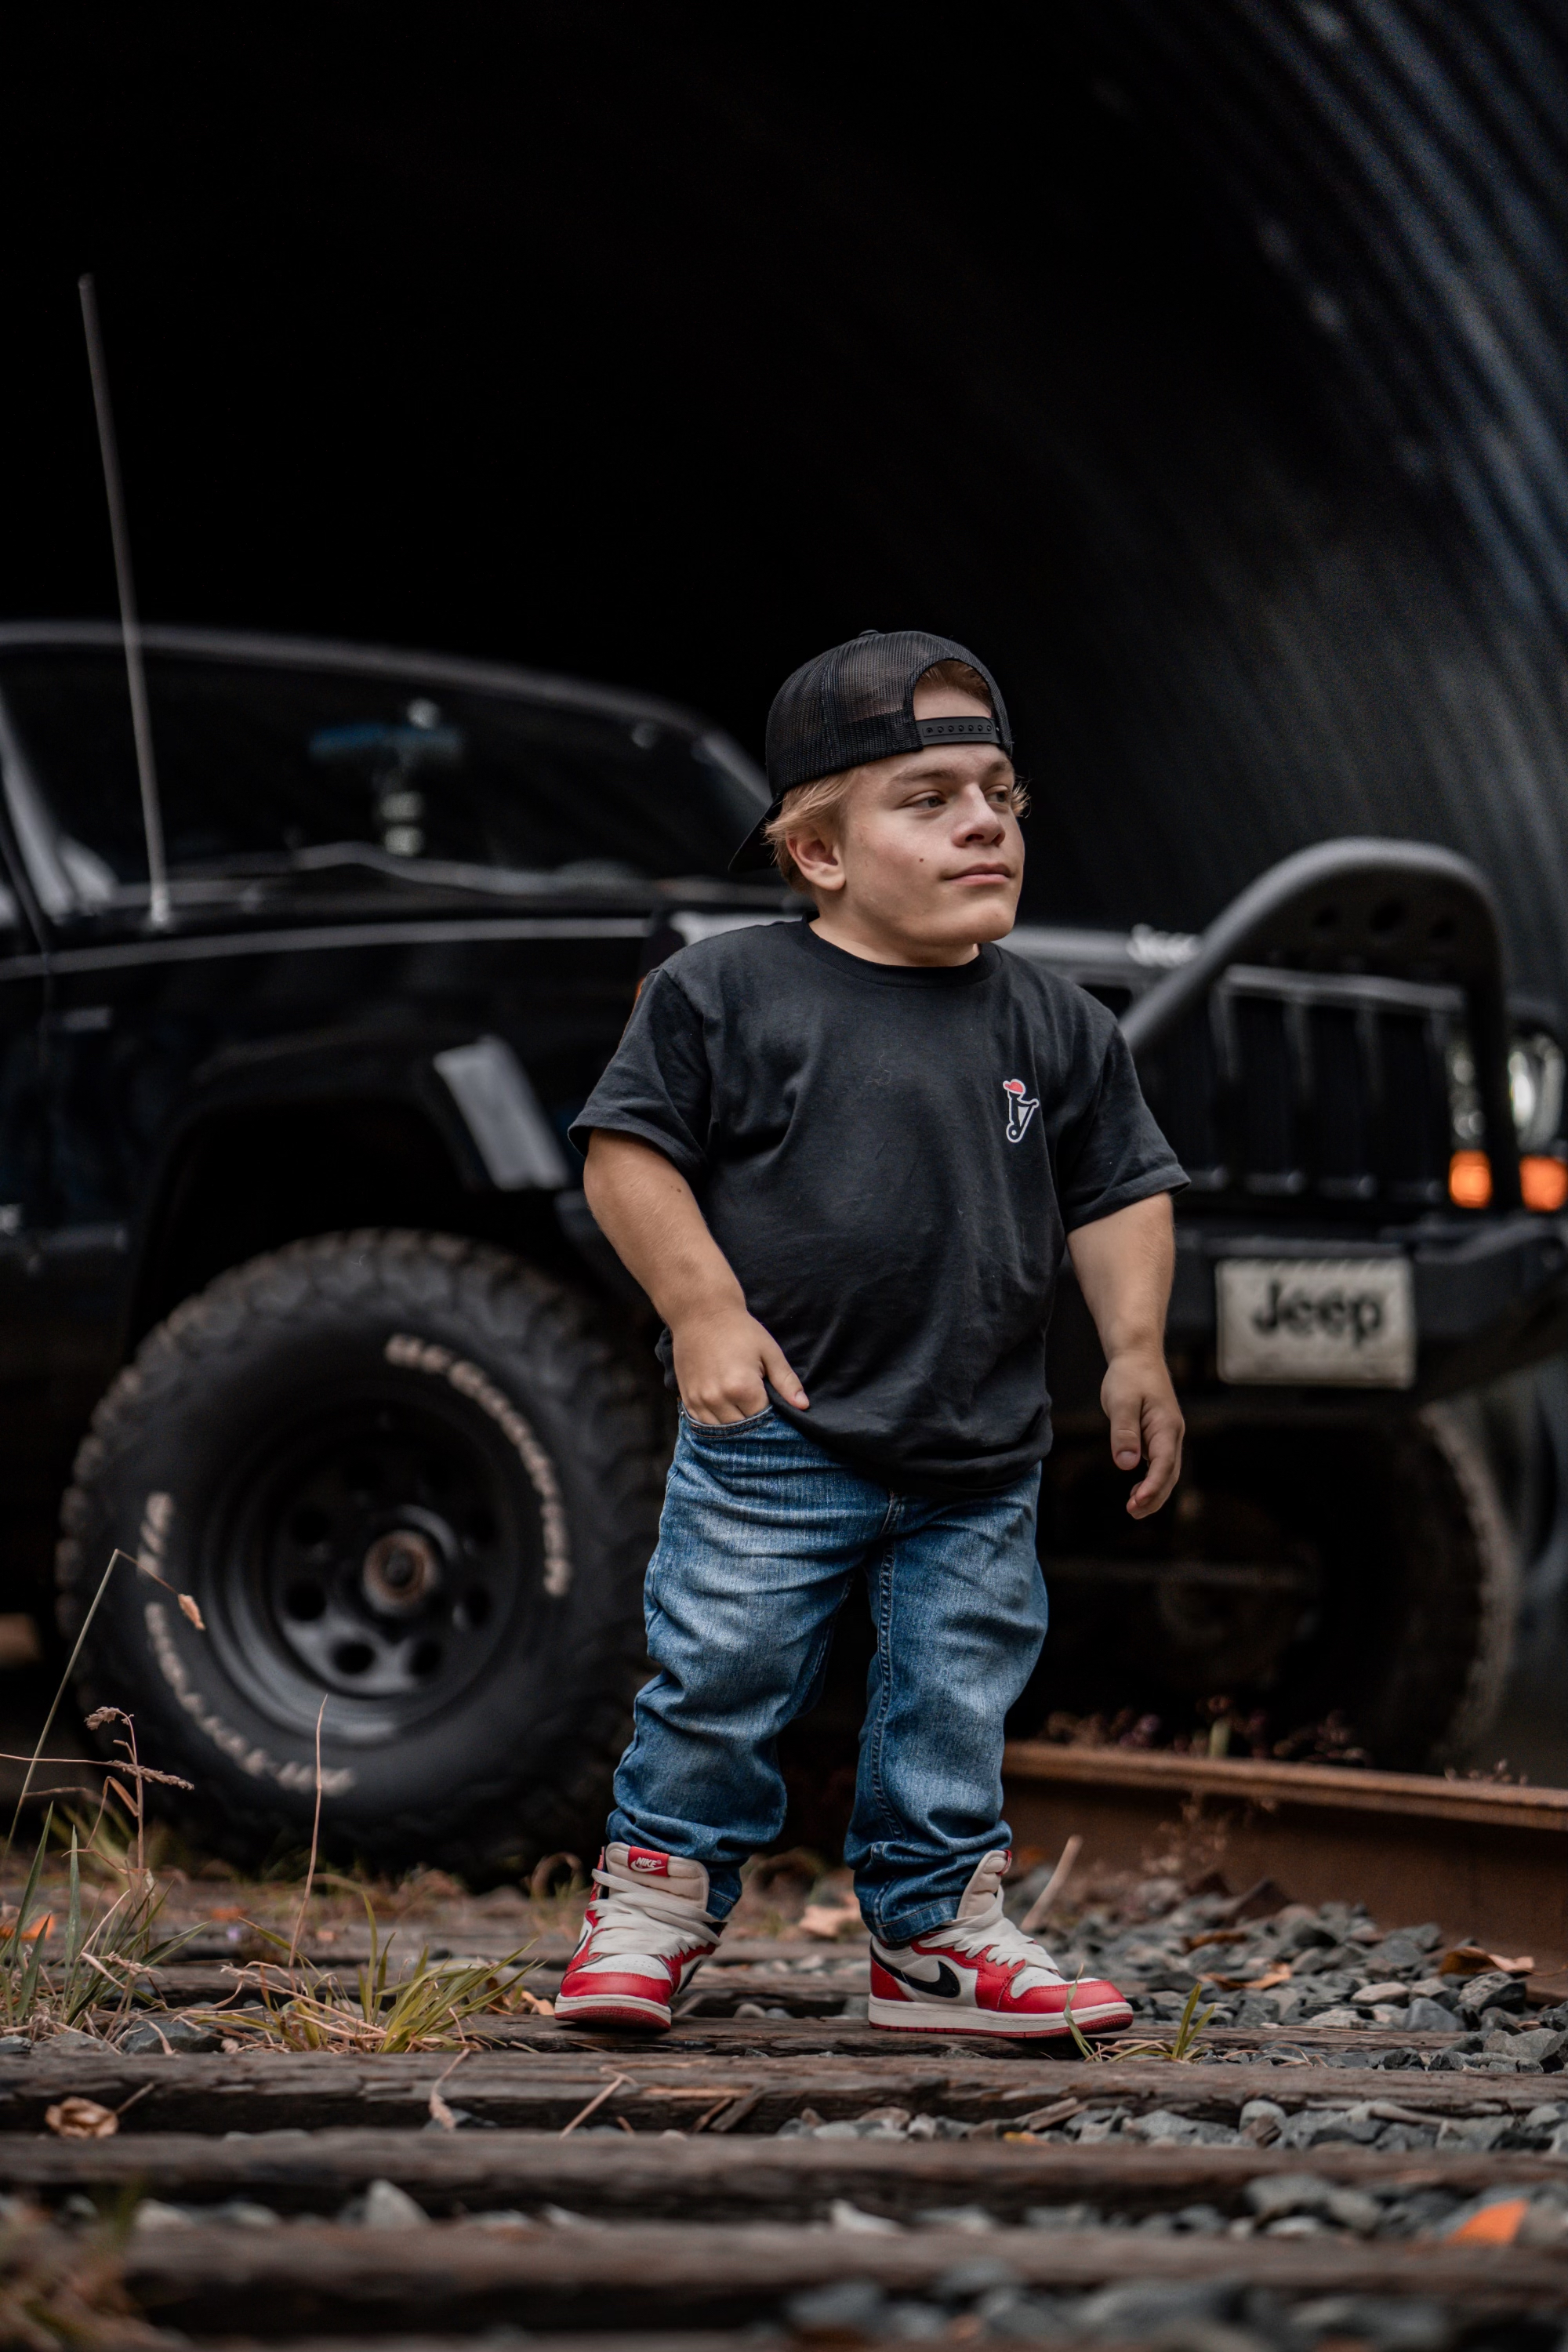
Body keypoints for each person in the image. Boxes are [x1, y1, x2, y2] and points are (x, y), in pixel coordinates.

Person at [557, 629, 1187, 2037]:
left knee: (953, 1698)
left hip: (979, 1449)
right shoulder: (727, 992)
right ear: (822, 854)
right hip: (775, 1429)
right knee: (722, 1674)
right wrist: (706, 1313)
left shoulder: (1059, 1020)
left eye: (1000, 794)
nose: (984, 822)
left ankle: (932, 1940)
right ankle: (653, 1907)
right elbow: (626, 1158)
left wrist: (1136, 1349)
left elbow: (1120, 1189)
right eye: (929, 798)